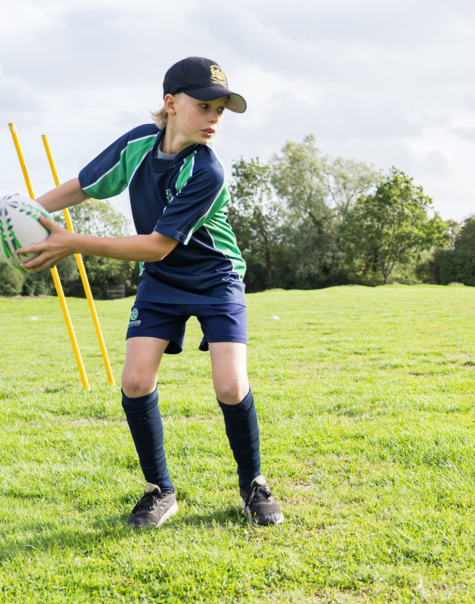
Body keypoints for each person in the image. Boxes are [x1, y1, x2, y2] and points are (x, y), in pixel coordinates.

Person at [18, 57, 283, 528]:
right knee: (136, 381)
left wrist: (71, 242)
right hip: (162, 283)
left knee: (230, 384)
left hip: (215, 277)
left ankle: (253, 484)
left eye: (221, 109)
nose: (214, 117)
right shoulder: (139, 143)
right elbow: (83, 187)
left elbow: (157, 247)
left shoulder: (207, 171)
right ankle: (159, 490)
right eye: (205, 106)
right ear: (171, 103)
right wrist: (23, 213)